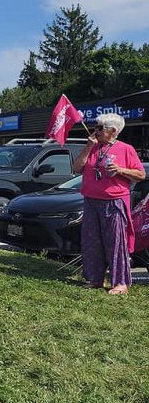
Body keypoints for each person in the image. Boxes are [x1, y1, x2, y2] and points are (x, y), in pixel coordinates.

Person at [72, 113, 146, 295]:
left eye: (99, 128)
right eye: (95, 127)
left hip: (114, 201)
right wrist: (89, 147)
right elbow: (76, 168)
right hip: (91, 200)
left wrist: (120, 170)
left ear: (113, 131)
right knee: (92, 241)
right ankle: (95, 278)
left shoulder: (126, 149)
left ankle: (120, 282)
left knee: (115, 242)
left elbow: (141, 174)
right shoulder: (93, 147)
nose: (95, 131)